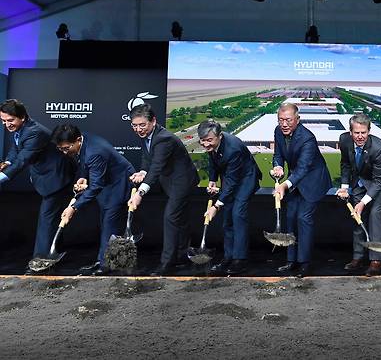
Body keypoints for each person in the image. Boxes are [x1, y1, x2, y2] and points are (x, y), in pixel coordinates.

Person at [0, 99, 73, 274]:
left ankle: (41, 262)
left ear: (22, 117)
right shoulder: (21, 129)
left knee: (47, 218)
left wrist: (2, 176)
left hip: (56, 177)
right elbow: (16, 149)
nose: (6, 124)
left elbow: (22, 160)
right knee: (52, 218)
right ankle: (54, 252)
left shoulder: (35, 132)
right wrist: (7, 161)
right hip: (45, 176)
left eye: (10, 120)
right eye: (3, 121)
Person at [127, 104, 200, 275]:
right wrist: (142, 171)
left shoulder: (163, 138)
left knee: (171, 217)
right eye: (134, 125)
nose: (138, 129)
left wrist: (140, 193)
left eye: (142, 125)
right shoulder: (147, 135)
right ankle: (183, 256)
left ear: (153, 121)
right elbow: (147, 159)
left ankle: (166, 264)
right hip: (170, 180)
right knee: (179, 220)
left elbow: (157, 167)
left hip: (182, 181)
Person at [52, 124, 135, 275]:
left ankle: (105, 266)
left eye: (66, 148)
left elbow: (96, 186)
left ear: (77, 140)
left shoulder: (95, 151)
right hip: (107, 182)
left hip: (119, 183)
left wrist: (73, 207)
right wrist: (83, 177)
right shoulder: (83, 140)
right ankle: (104, 260)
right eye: (60, 149)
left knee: (110, 223)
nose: (64, 152)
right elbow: (84, 162)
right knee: (106, 221)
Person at [271, 103, 332, 278]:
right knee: (290, 217)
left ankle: (304, 263)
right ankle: (291, 260)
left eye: (288, 120)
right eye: (281, 120)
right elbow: (278, 154)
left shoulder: (307, 138)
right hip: (294, 180)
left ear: (297, 120)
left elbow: (303, 168)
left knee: (303, 218)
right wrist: (278, 167)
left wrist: (284, 185)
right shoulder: (278, 131)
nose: (284, 124)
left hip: (313, 180)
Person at [198, 120, 261, 275]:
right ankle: (228, 256)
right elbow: (213, 160)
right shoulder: (211, 143)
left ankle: (240, 260)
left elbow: (232, 183)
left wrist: (216, 206)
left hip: (246, 178)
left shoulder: (233, 149)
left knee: (237, 214)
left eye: (209, 140)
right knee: (227, 218)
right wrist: (212, 180)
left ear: (219, 136)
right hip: (231, 177)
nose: (206, 144)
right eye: (203, 141)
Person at [336, 114, 381, 277]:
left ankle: (376, 260)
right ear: (350, 132)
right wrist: (345, 187)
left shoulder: (379, 147)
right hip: (360, 179)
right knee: (357, 216)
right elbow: (345, 164)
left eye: (364, 132)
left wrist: (363, 203)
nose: (360, 136)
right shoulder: (344, 140)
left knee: (374, 213)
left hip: (380, 181)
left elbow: (378, 181)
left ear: (369, 131)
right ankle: (357, 257)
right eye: (356, 132)